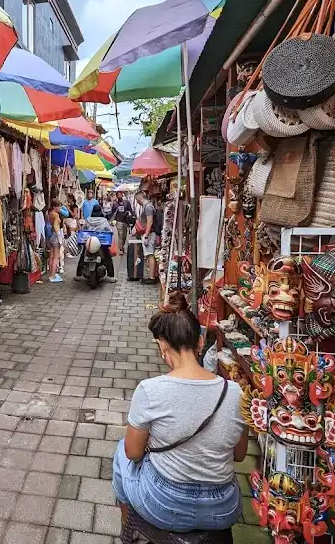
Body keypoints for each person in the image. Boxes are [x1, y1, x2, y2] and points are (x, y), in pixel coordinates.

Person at [113, 292, 246, 533]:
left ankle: (128, 530)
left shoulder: (150, 390)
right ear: (200, 342)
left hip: (165, 504)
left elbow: (133, 453)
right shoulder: (235, 392)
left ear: (163, 347)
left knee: (121, 453)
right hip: (223, 507)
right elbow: (239, 455)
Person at [74, 204, 116, 283]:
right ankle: (111, 276)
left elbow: (84, 230)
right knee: (108, 258)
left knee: (83, 256)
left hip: (89, 242)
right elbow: (109, 230)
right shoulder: (104, 221)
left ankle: (78, 275)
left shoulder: (88, 220)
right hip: (102, 243)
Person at [134, 192, 158, 284]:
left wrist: (146, 235)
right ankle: (152, 275)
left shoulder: (148, 207)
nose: (137, 202)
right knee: (148, 254)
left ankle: (152, 277)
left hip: (149, 234)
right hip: (148, 233)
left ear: (140, 198)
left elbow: (149, 222)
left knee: (150, 254)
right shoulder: (147, 206)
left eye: (137, 200)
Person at [47, 199, 64, 283]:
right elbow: (56, 226)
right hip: (55, 235)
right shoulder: (56, 215)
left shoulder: (49, 214)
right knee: (56, 256)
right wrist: (60, 238)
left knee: (51, 256)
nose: (60, 208)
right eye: (59, 206)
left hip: (50, 235)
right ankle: (53, 276)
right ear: (54, 207)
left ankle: (51, 274)